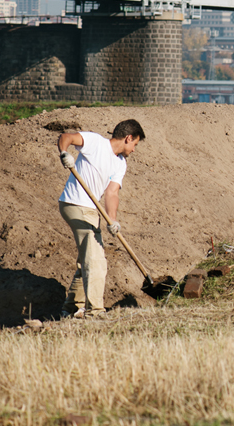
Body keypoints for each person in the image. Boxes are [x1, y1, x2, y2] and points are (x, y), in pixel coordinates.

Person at [56, 119, 145, 318]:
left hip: (92, 211)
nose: (134, 149)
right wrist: (64, 153)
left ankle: (70, 308)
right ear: (128, 138)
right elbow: (66, 137)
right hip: (75, 204)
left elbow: (112, 193)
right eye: (135, 144)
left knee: (87, 259)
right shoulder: (95, 142)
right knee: (96, 261)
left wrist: (112, 220)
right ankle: (94, 312)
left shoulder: (120, 163)